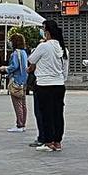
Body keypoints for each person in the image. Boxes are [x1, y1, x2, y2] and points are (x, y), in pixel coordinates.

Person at [29, 20, 69, 152]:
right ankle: (57, 141)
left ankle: (48, 141)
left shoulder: (43, 46)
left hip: (44, 85)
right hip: (59, 85)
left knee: (46, 114)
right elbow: (65, 70)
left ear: (47, 32)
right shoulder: (63, 48)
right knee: (58, 113)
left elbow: (31, 59)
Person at [3, 33, 30, 133]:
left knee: (17, 103)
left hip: (16, 80)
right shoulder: (23, 52)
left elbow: (14, 66)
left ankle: (19, 124)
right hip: (24, 80)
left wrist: (5, 68)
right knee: (23, 103)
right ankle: (23, 123)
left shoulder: (15, 53)